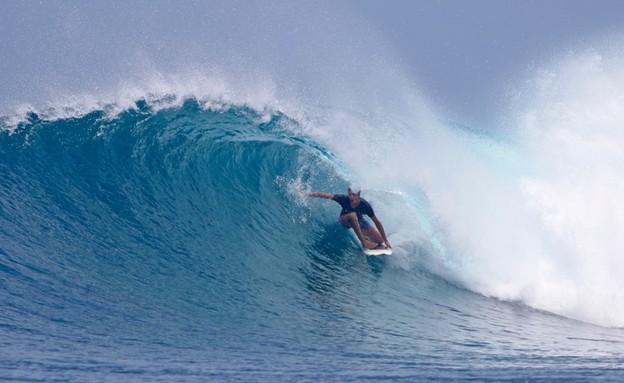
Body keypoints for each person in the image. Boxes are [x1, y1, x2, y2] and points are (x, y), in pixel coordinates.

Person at [304, 188, 391, 250]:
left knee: (380, 241)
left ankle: (366, 238)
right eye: (349, 194)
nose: (351, 197)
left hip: (358, 220)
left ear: (359, 195)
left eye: (353, 194)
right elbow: (325, 195)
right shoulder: (343, 199)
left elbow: (377, 222)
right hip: (344, 220)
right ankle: (364, 242)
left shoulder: (365, 205)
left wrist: (386, 241)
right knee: (353, 215)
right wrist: (305, 193)